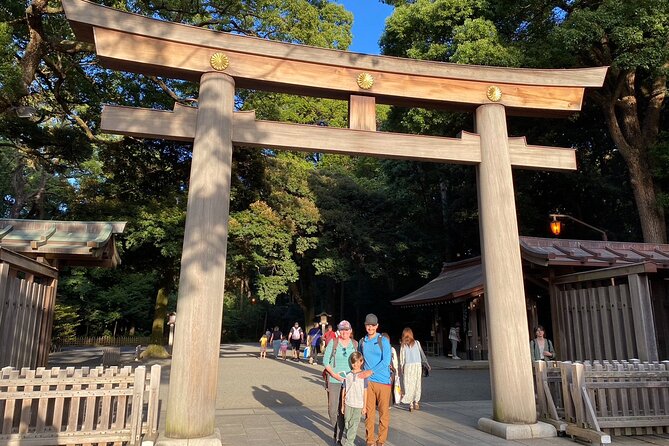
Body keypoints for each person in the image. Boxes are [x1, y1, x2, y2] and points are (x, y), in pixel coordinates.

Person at [323, 320, 371, 445]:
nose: (344, 332)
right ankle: (336, 429)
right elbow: (325, 361)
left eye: (347, 329)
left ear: (350, 331)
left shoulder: (355, 344)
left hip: (351, 382)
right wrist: (334, 374)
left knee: (344, 409)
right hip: (334, 380)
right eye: (342, 329)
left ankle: (340, 437)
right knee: (333, 410)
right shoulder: (333, 343)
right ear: (339, 331)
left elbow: (361, 360)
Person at [359, 313, 391, 446]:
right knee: (369, 413)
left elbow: (386, 361)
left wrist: (370, 371)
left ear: (377, 326)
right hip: (368, 382)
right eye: (368, 325)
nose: (370, 327)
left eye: (373, 325)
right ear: (365, 326)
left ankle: (381, 440)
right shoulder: (362, 342)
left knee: (383, 413)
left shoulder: (383, 341)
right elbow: (359, 360)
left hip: (383, 381)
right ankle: (370, 440)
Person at [398, 327, 430, 411]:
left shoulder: (403, 345)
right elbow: (422, 354)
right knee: (417, 383)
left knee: (408, 384)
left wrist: (401, 367)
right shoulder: (417, 343)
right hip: (417, 365)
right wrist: (426, 363)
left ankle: (410, 404)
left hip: (408, 366)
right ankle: (416, 402)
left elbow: (402, 358)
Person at [341, 351, 368, 446]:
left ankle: (349, 442)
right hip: (348, 403)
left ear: (361, 362)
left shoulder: (364, 376)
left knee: (354, 424)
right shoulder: (347, 375)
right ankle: (349, 438)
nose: (355, 364)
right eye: (353, 362)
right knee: (347, 422)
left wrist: (364, 406)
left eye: (357, 362)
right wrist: (342, 405)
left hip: (358, 404)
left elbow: (365, 391)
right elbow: (344, 390)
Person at [382, 333, 401, 407]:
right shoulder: (392, 349)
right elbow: (395, 361)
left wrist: (396, 370)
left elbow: (395, 361)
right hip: (390, 371)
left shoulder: (391, 349)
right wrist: (396, 370)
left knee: (387, 388)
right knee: (388, 388)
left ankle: (387, 403)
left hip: (389, 371)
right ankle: (388, 403)